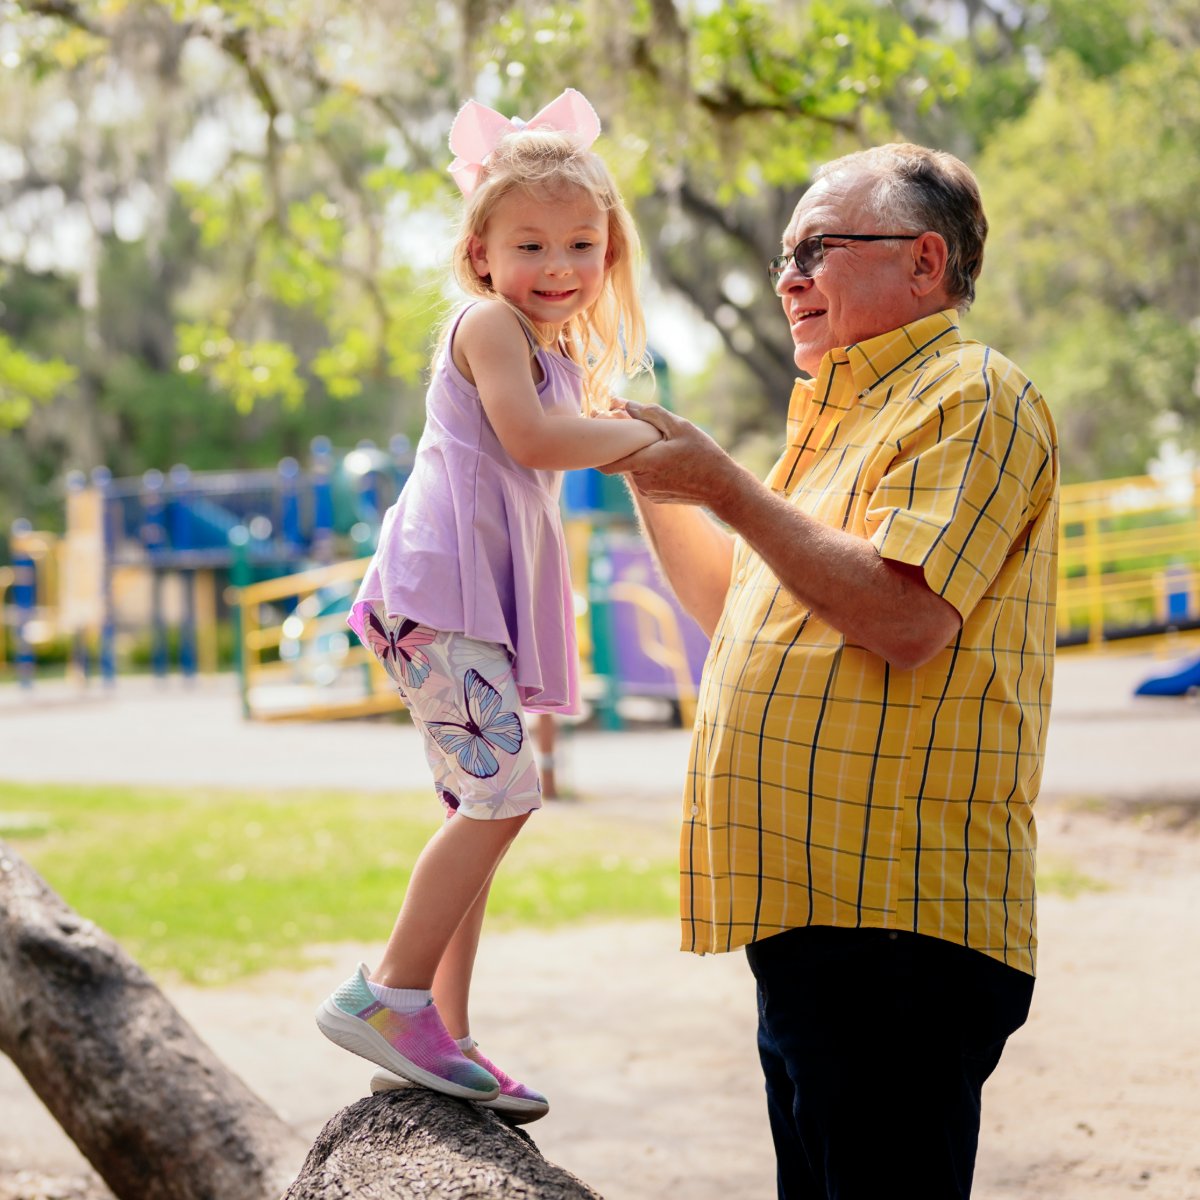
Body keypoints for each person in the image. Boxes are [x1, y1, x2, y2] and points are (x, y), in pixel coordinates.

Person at [599, 144, 1059, 1196]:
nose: (788, 277)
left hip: (896, 924)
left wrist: (723, 484)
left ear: (924, 263)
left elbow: (905, 618)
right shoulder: (836, 425)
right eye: (783, 255)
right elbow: (737, 615)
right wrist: (642, 473)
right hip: (818, 917)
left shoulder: (973, 391)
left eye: (819, 247)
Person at [315, 89, 661, 1124]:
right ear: (479, 254)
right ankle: (388, 998)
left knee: (482, 807)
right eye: (531, 245)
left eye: (581, 245)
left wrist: (623, 422)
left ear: (608, 253)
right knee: (503, 799)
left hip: (461, 602)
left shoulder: (547, 348)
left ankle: (444, 1034)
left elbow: (555, 429)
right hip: (440, 595)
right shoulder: (488, 325)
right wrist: (655, 439)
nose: (558, 267)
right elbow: (533, 442)